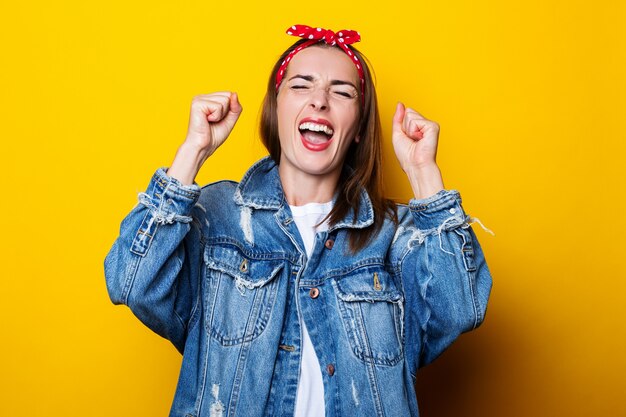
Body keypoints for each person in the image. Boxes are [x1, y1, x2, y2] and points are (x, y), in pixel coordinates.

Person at [104, 24, 492, 417]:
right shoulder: (215, 217)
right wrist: (193, 151)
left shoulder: (396, 235)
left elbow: (462, 307)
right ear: (276, 108)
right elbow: (131, 282)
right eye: (301, 86)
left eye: (342, 92)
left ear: (358, 128)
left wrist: (424, 172)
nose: (320, 101)